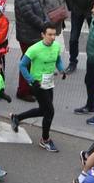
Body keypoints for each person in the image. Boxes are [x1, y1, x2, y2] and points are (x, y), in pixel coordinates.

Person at [11, 23, 67, 152]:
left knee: (44, 110)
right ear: (42, 35)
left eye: (54, 35)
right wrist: (31, 80)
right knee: (50, 112)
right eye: (50, 35)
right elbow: (22, 66)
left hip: (49, 83)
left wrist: (62, 70)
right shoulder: (34, 49)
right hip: (38, 85)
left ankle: (17, 117)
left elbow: (57, 60)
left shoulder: (57, 47)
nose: (53, 37)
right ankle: (45, 140)